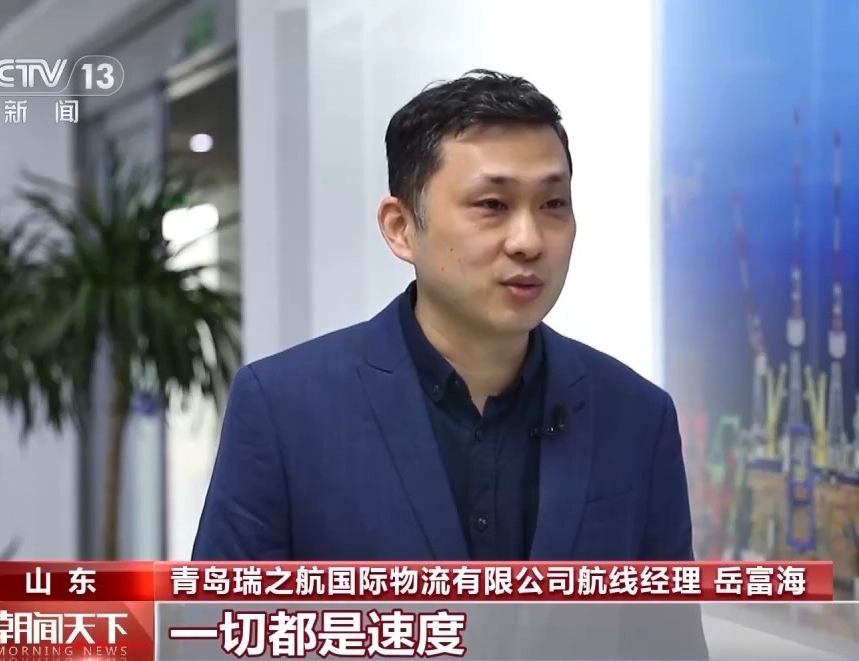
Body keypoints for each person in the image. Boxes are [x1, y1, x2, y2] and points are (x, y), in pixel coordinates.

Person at [193, 70, 708, 659]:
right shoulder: (285, 409)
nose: (528, 240)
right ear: (401, 228)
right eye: (492, 205)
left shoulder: (636, 416)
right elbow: (219, 639)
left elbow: (668, 648)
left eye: (553, 204)